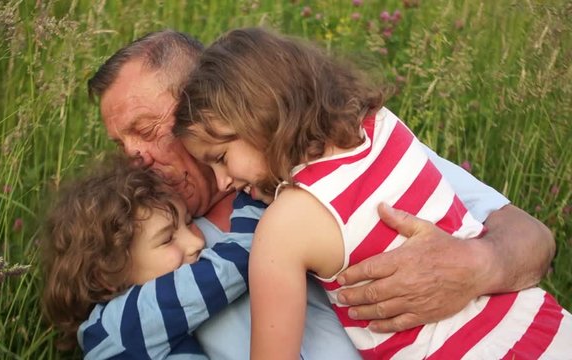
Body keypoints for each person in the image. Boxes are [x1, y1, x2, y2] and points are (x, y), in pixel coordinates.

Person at [88, 29, 555, 358]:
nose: (135, 155)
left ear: (213, 103)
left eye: (147, 129)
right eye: (121, 144)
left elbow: (533, 238)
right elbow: (106, 336)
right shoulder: (154, 247)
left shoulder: (354, 151)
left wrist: (473, 267)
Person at [40, 155, 265, 358]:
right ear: (108, 274)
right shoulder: (129, 319)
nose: (197, 242)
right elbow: (235, 261)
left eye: (188, 222)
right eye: (167, 239)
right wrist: (253, 184)